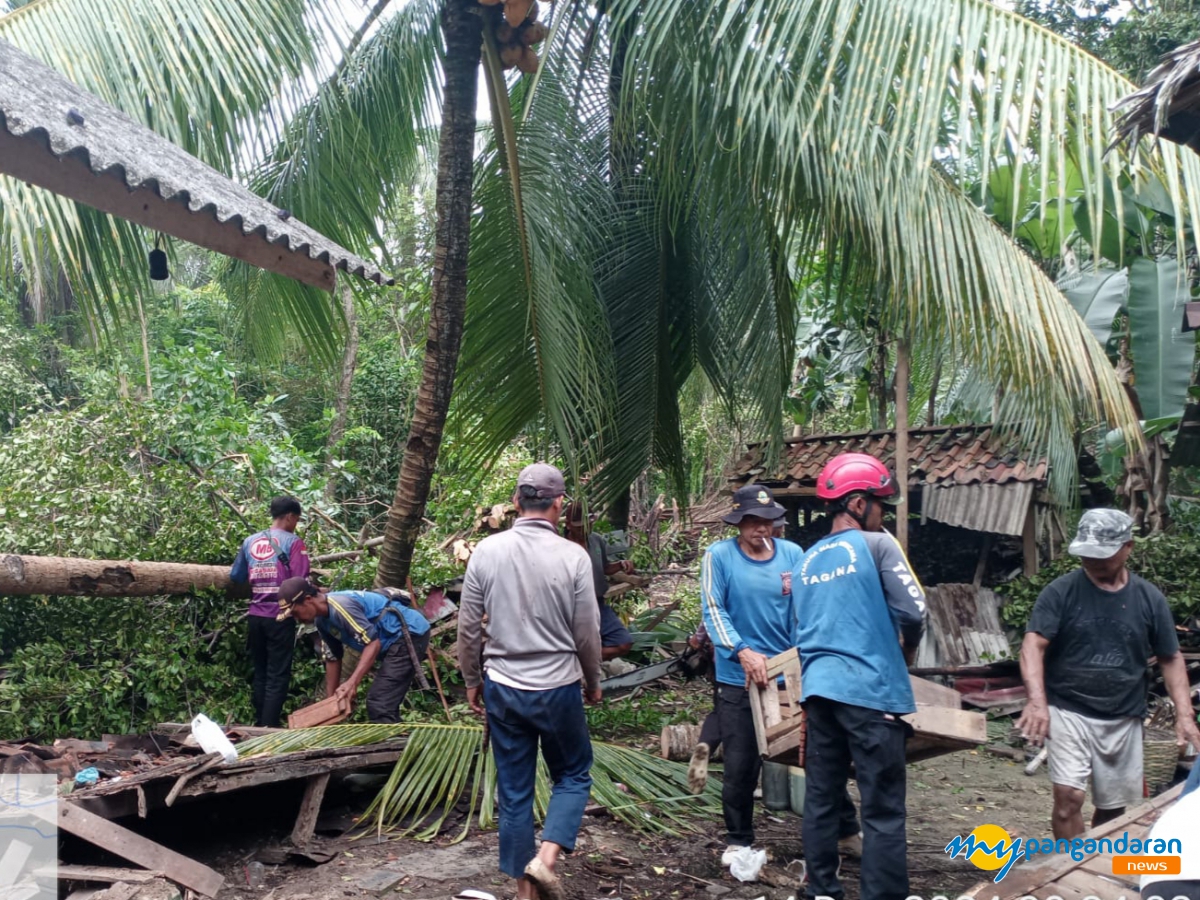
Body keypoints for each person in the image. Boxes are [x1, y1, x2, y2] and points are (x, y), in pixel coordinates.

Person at [458, 463, 601, 900]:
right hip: (557, 686)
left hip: (503, 685)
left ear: (516, 502)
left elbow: (468, 627)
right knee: (574, 774)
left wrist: (471, 679)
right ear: (559, 504)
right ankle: (548, 857)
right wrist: (592, 680)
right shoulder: (574, 556)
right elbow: (587, 632)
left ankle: (525, 892)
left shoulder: (486, 550)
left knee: (515, 790)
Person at [1016, 508, 1200, 839]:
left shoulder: (1148, 598)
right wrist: (1037, 702)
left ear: (1128, 547)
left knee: (1113, 810)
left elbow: (1170, 658)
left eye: (1102, 554)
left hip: (1124, 715)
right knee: (1068, 800)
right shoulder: (1061, 592)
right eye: (1086, 554)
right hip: (1068, 708)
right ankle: (1068, 866)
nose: (1093, 561)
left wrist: (1184, 716)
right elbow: (1033, 646)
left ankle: (1097, 871)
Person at [795, 452, 925, 900]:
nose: (882, 514)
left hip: (818, 693)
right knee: (883, 808)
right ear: (855, 503)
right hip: (870, 691)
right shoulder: (878, 546)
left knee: (821, 801)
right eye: (879, 504)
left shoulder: (807, 562)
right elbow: (914, 609)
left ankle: (822, 892)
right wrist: (908, 647)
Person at [701, 484, 805, 862]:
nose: (761, 529)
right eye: (752, 522)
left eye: (767, 522)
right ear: (738, 523)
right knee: (741, 763)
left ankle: (841, 830)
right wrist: (742, 651)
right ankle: (739, 839)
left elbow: (805, 610)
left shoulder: (793, 555)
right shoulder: (719, 556)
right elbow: (713, 609)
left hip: (788, 676)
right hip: (738, 677)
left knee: (813, 753)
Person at [276, 578, 430, 723]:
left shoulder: (341, 607)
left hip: (408, 634)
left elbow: (373, 644)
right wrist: (331, 703)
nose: (297, 619)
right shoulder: (321, 621)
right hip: (391, 642)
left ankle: (396, 747)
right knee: (383, 702)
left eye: (296, 613)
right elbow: (333, 657)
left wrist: (352, 683)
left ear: (308, 600)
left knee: (380, 703)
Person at [229, 496, 311, 727]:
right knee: (278, 674)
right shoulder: (294, 542)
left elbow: (236, 576)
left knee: (261, 671)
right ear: (290, 517)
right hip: (280, 616)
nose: (296, 524)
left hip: (255, 615)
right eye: (297, 519)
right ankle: (269, 727)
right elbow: (300, 580)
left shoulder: (250, 541)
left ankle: (258, 723)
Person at [564, 501, 634, 660]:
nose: (585, 530)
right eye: (579, 526)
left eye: (588, 525)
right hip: (570, 608)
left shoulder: (596, 541)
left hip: (597, 603)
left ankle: (580, 660)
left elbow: (604, 567)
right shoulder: (559, 546)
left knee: (623, 643)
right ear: (568, 525)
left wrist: (621, 565)